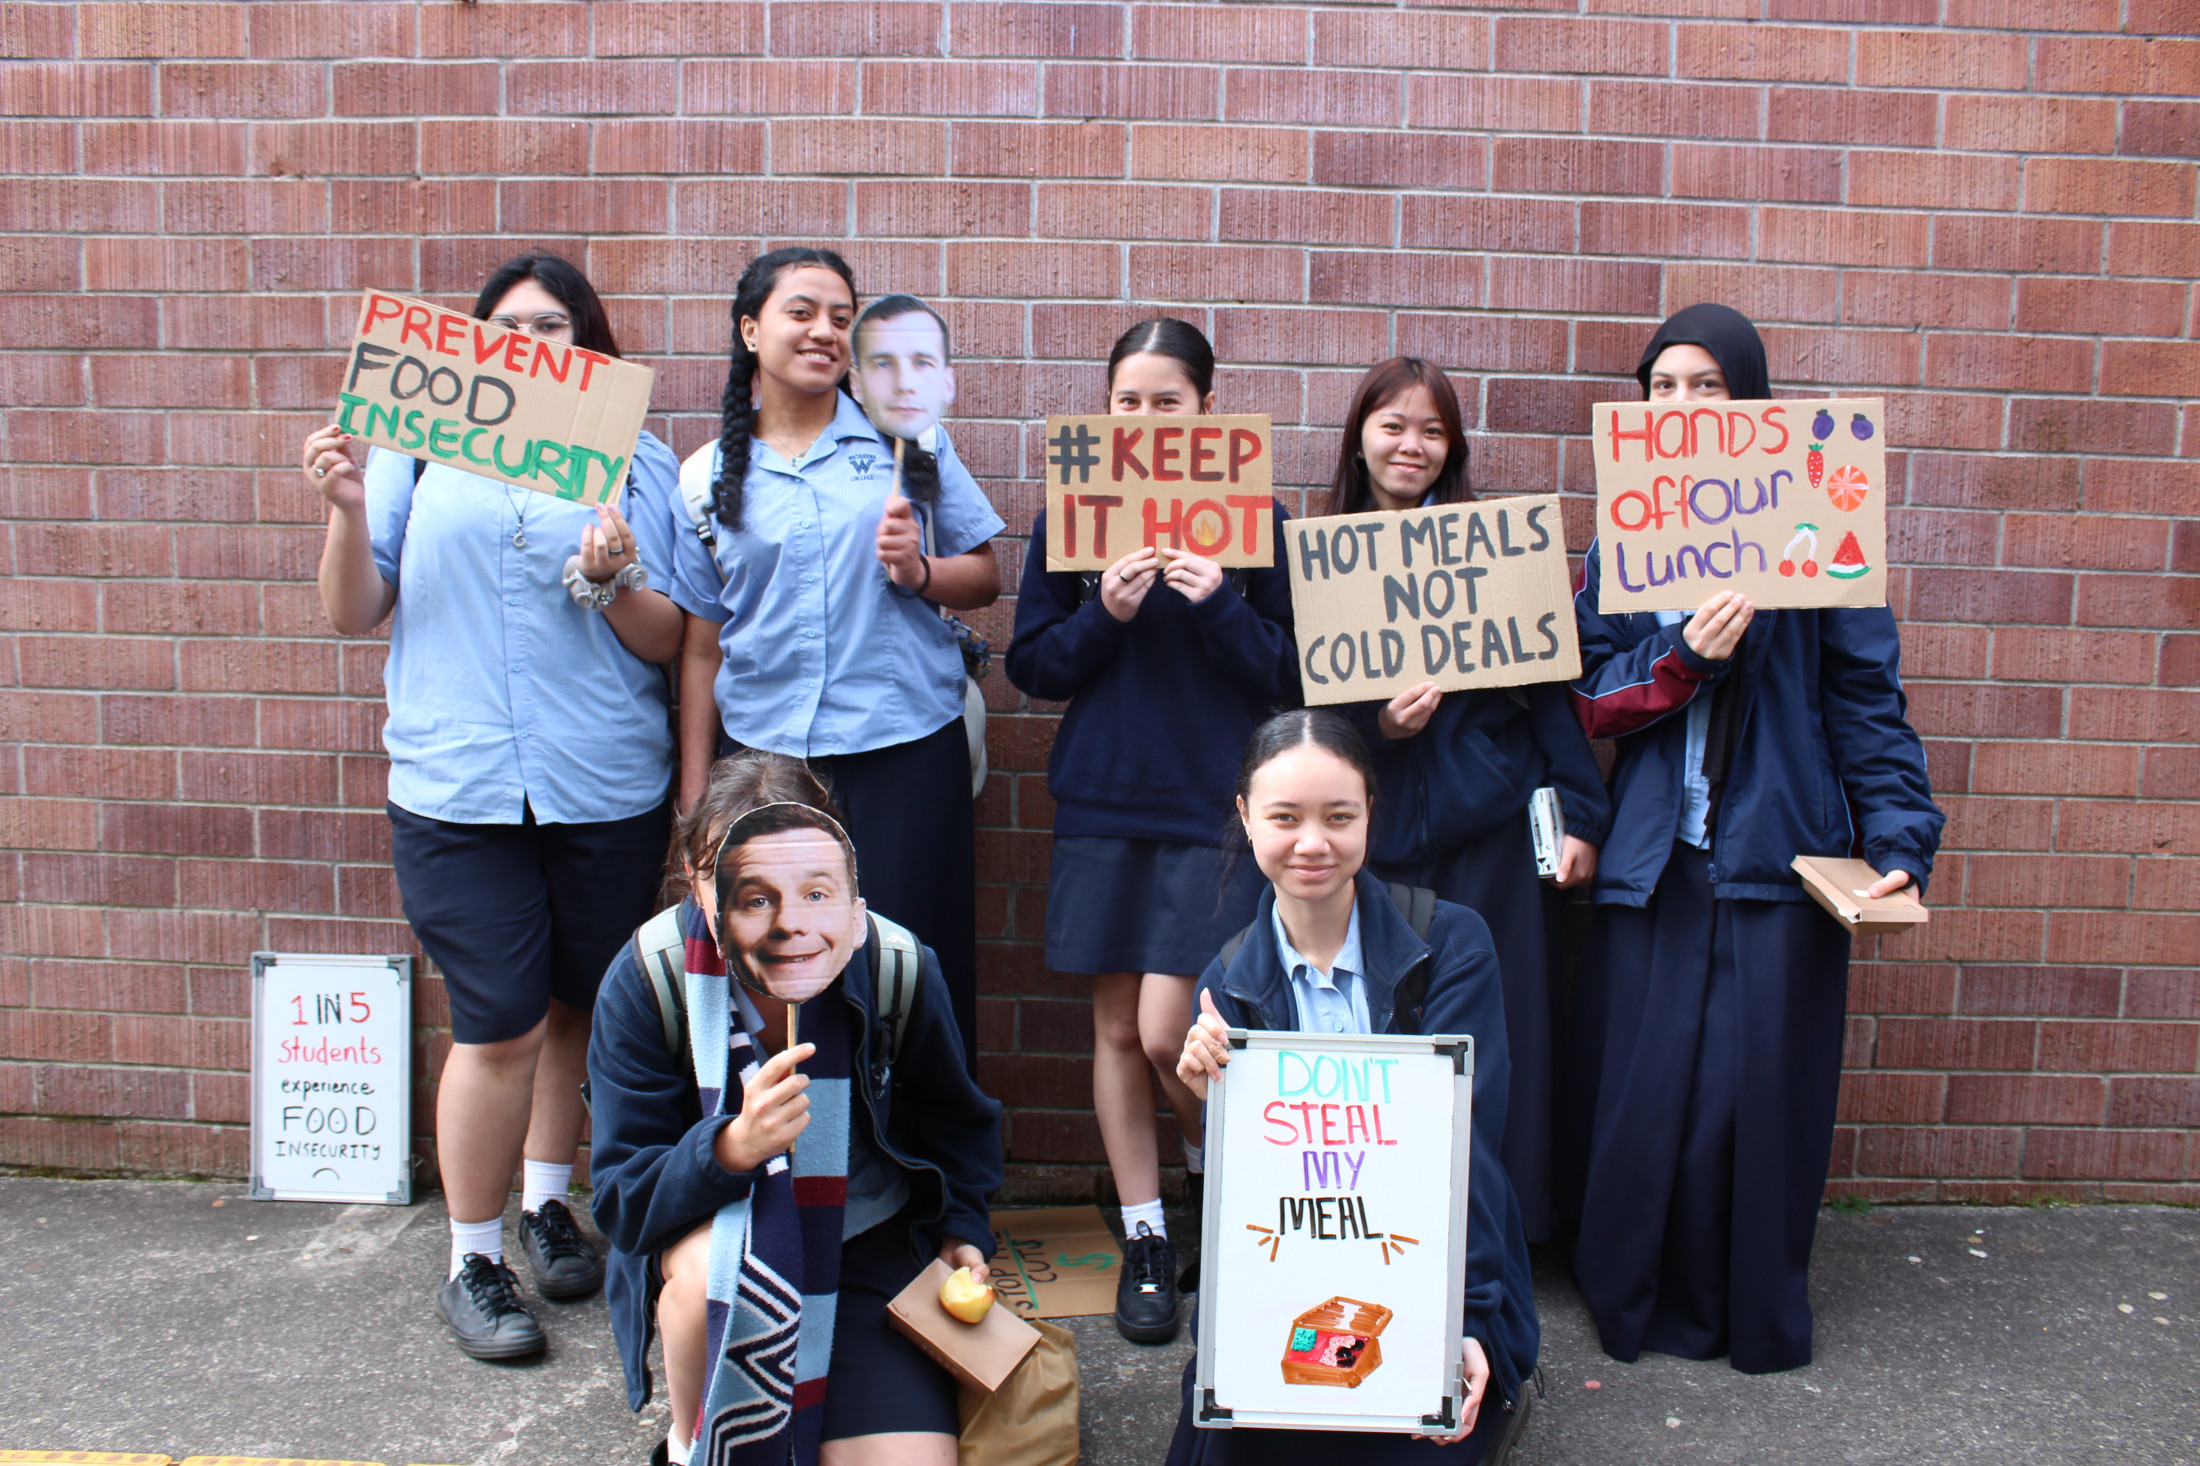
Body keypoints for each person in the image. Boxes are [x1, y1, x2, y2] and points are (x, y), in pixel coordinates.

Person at [299, 251, 683, 1360]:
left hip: (603, 776)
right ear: (470, 351)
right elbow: (352, 607)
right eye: (508, 326)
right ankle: (473, 1258)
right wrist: (342, 506)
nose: (531, 343)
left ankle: (548, 1204)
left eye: (554, 325)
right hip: (457, 782)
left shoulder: (634, 457)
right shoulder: (413, 450)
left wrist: (613, 581)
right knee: (500, 1016)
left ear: (587, 343)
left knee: (577, 1005)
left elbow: (670, 640)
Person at [1567, 303, 1944, 1374]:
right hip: (1656, 862)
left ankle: (1744, 1310)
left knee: (1752, 1098)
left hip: (1780, 861)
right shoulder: (1624, 533)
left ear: (1750, 403)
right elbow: (1593, 702)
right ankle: (1631, 1297)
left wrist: (1899, 835)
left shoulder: (1821, 516)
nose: (1681, 405)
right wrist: (1681, 654)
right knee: (1646, 1098)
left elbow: (1865, 700)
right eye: (1662, 387)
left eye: (1706, 386)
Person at [1003, 318, 1299, 1343]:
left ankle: (1225, 1197)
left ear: (1206, 410)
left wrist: (1219, 603)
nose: (1141, 418)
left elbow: (1291, 674)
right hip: (1103, 794)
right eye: (1124, 401)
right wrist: (1106, 613)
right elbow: (1032, 665)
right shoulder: (1072, 514)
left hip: (1211, 804)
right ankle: (1145, 1235)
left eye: (1164, 401)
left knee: (1178, 1035)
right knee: (1118, 1031)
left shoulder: (1254, 512)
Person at [588, 751, 1003, 1466]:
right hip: (717, 1234)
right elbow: (624, 1200)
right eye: (746, 889)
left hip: (865, 1240)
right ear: (696, 878)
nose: (784, 921)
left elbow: (955, 1120)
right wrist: (731, 1150)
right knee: (707, 1273)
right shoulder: (647, 977)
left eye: (809, 886)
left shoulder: (895, 962)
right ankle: (695, 1445)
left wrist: (964, 1227)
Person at [1165, 710, 1538, 1466]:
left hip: (1437, 1275)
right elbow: (1248, 1208)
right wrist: (1210, 1095)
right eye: (1284, 817)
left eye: (1339, 816)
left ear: (1372, 812)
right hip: (1296, 1283)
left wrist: (1465, 1322)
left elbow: (1470, 1155)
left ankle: (1504, 1383)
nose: (1312, 843)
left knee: (1410, 1443)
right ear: (1245, 816)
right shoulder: (1226, 986)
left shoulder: (1452, 945)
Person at [662, 249, 1004, 1069]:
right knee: (784, 966)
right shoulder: (706, 476)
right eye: (801, 311)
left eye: (842, 318)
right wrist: (696, 787)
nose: (824, 331)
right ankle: (809, 1176)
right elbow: (702, 642)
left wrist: (918, 571)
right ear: (750, 330)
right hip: (768, 762)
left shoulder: (905, 439)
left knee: (916, 965)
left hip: (902, 749)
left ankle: (934, 1179)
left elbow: (986, 576)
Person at [1317, 357, 1609, 1244]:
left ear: (1454, 448)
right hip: (1375, 834)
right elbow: (1306, 713)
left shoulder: (1493, 541)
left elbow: (1553, 693)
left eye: (1432, 430)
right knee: (1385, 1023)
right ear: (1359, 435)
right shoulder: (1324, 549)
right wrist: (1380, 728)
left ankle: (1503, 1228)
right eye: (1393, 425)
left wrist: (1582, 813)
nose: (1411, 445)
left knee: (1503, 1025)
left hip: (1491, 824)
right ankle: (1392, 1221)